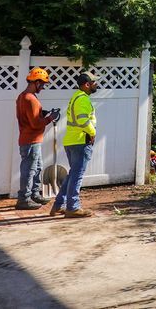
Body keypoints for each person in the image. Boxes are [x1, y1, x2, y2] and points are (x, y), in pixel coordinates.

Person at [50, 71, 100, 218]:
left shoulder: (76, 97)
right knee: (77, 175)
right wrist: (92, 133)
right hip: (80, 142)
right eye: (94, 82)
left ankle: (59, 205)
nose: (96, 84)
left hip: (72, 141)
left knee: (73, 174)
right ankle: (73, 207)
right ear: (87, 85)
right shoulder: (82, 99)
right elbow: (82, 121)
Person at [15, 68, 60, 210]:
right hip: (31, 140)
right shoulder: (31, 99)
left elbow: (29, 117)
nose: (43, 87)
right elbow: (35, 124)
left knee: (37, 167)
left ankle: (34, 194)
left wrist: (42, 113)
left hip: (29, 139)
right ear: (37, 82)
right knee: (29, 170)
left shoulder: (23, 96)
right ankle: (24, 198)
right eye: (43, 84)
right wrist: (49, 118)